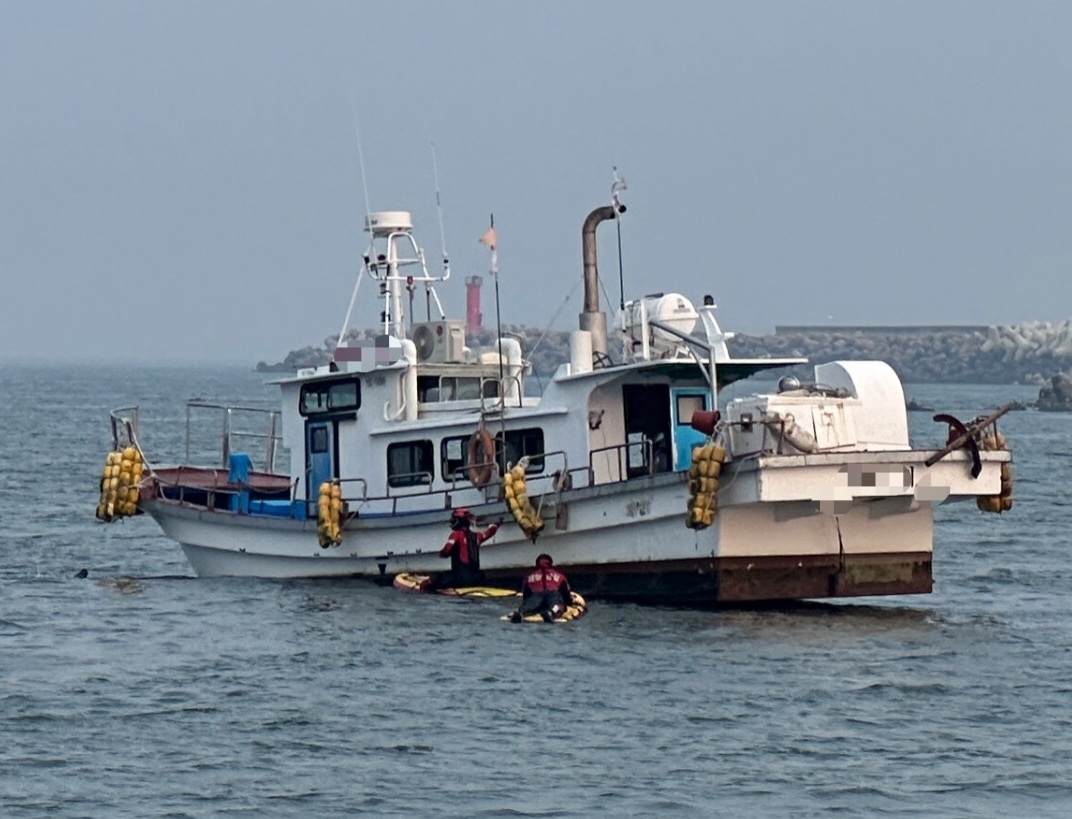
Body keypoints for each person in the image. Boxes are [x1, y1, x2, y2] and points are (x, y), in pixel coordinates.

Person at [425, 508, 502, 591]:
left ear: (459, 521)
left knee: (434, 580)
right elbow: (489, 532)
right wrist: (496, 524)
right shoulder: (477, 536)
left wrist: (442, 554)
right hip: (476, 579)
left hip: (459, 579)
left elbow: (445, 552)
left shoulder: (456, 535)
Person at [511, 553, 572, 623]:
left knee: (529, 605)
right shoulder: (560, 576)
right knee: (557, 606)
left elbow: (526, 594)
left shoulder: (529, 577)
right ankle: (551, 612)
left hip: (536, 596)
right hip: (553, 595)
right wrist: (568, 604)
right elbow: (566, 593)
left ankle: (521, 612)